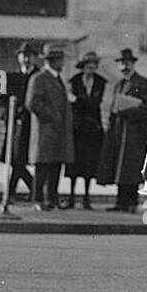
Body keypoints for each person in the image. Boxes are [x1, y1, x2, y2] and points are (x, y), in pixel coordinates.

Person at [97, 48, 147, 213]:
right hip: (119, 131)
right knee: (119, 167)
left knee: (132, 168)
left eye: (127, 63)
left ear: (133, 64)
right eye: (122, 63)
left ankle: (131, 202)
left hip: (135, 132)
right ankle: (120, 202)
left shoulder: (143, 83)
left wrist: (128, 110)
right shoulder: (119, 85)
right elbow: (114, 108)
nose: (125, 66)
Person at [25, 42, 73, 211]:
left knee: (55, 166)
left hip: (57, 131)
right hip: (46, 130)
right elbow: (32, 103)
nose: (63, 64)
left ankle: (51, 198)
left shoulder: (57, 79)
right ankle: (38, 199)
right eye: (60, 60)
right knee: (43, 167)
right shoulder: (39, 78)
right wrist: (53, 116)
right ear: (53, 61)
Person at [0, 41, 39, 200]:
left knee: (19, 160)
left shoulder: (39, 76)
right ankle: (33, 189)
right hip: (14, 124)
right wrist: (7, 115)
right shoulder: (5, 76)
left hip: (32, 124)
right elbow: (0, 101)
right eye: (23, 55)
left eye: (30, 56)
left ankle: (15, 192)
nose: (26, 59)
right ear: (18, 57)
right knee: (15, 159)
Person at [65, 50, 106, 209]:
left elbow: (95, 102)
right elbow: (73, 102)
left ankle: (86, 197)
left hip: (92, 127)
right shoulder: (75, 81)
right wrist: (81, 102)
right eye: (88, 66)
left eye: (93, 66)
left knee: (90, 164)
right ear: (82, 67)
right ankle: (71, 196)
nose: (91, 69)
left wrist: (79, 100)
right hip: (78, 127)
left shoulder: (100, 82)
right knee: (74, 164)